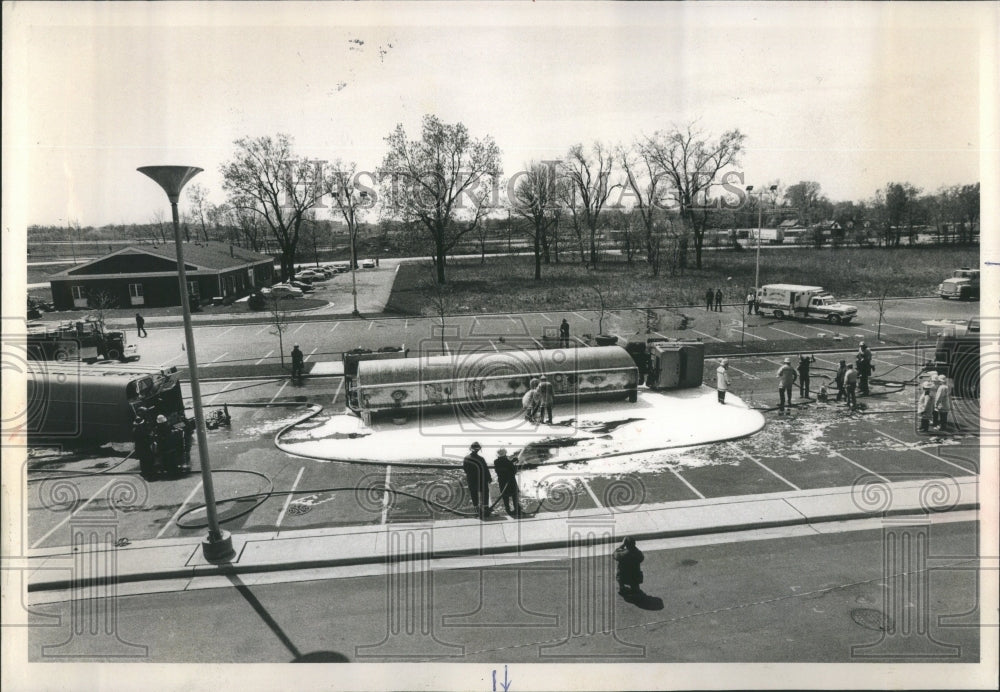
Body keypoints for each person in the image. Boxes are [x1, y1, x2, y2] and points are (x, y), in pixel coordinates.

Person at [462, 442, 492, 519]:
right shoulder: (481, 459)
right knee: (485, 494)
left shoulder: (466, 458)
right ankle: (485, 511)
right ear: (479, 449)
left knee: (474, 494)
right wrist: (489, 478)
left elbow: (465, 469)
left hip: (472, 479)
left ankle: (477, 512)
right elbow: (485, 469)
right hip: (482, 479)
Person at [493, 448, 521, 517]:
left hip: (502, 481)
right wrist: (514, 463)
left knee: (505, 496)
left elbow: (502, 468)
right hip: (511, 480)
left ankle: (508, 510)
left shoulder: (496, 461)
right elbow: (513, 471)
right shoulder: (507, 461)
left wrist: (511, 462)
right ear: (505, 454)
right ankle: (517, 509)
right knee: (514, 495)